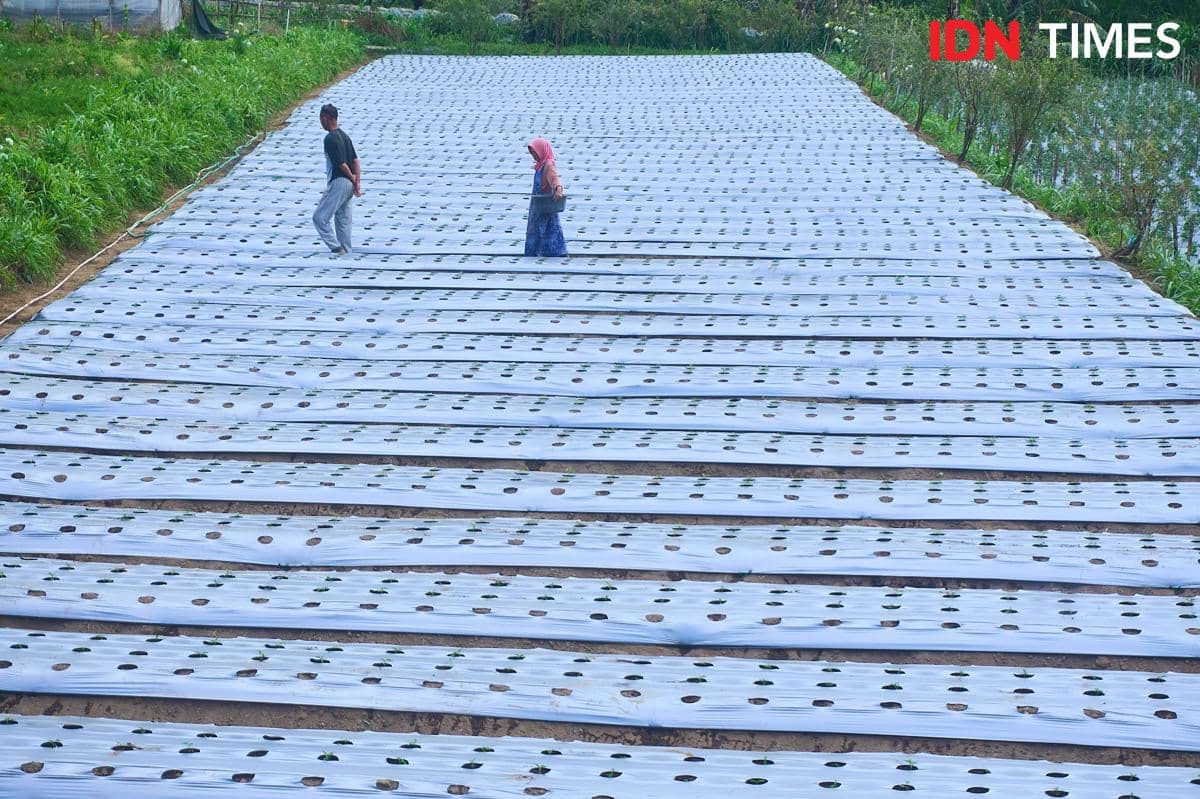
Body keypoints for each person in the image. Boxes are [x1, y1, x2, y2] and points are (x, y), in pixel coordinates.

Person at [313, 103, 361, 255]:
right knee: (343, 221)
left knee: (319, 218)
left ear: (325, 118)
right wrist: (356, 182)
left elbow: (341, 164)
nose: (321, 123)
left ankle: (337, 248)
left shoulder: (330, 138)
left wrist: (353, 179)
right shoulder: (344, 136)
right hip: (348, 185)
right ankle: (347, 252)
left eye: (321, 120)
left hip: (340, 182)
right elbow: (356, 161)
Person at [524, 137, 567, 257]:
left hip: (545, 205)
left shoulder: (548, 165)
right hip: (537, 205)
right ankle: (536, 253)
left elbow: (555, 178)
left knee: (545, 229)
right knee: (538, 229)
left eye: (534, 152)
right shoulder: (540, 165)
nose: (533, 156)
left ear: (541, 150)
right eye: (532, 153)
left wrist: (558, 188)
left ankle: (548, 253)